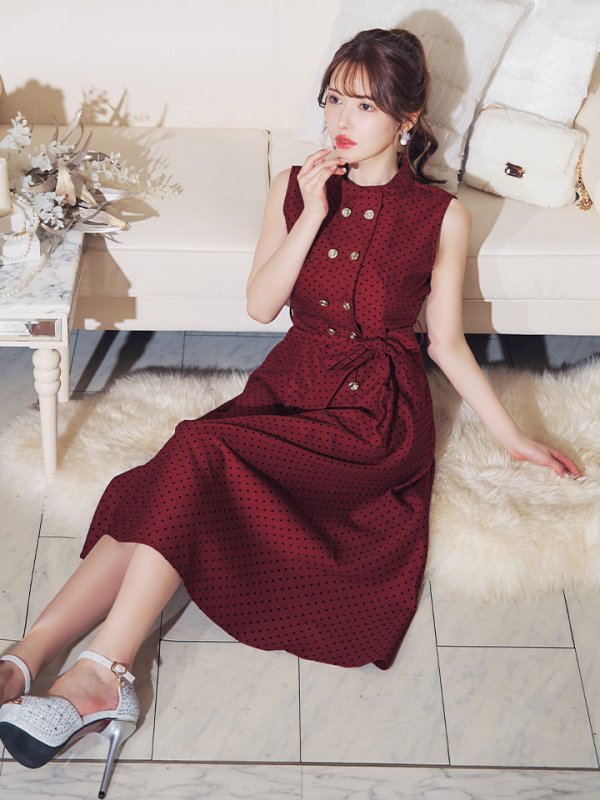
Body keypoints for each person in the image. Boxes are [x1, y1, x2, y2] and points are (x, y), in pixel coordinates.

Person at [0, 26, 583, 798]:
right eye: (333, 99)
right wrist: (309, 211)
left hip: (373, 418)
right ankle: (24, 658)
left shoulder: (439, 216)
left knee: (198, 450)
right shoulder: (293, 183)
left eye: (365, 106)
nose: (341, 119)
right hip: (290, 381)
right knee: (181, 468)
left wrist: (513, 438)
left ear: (407, 119)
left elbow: (444, 343)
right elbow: (260, 304)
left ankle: (104, 671)